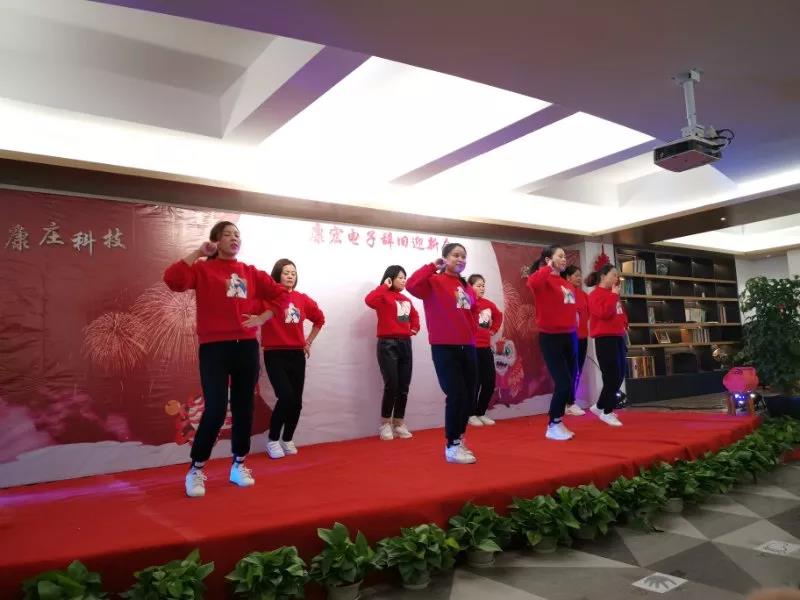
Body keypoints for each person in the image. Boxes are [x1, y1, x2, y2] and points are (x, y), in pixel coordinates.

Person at [163, 221, 288, 498]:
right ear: (216, 241)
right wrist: (199, 252)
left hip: (246, 347)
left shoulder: (250, 272)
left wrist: (263, 317)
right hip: (214, 348)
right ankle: (196, 469)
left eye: (237, 235)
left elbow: (281, 295)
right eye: (228, 234)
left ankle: (239, 465)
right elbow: (172, 280)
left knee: (244, 408)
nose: (234, 238)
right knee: (216, 410)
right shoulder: (202, 269)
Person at [407, 243, 479, 464]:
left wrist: (472, 334)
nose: (461, 259)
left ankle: (460, 437)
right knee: (456, 394)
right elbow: (411, 285)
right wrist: (432, 266)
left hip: (468, 346)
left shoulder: (465, 286)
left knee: (469, 395)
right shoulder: (434, 281)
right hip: (445, 347)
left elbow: (472, 312)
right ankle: (452, 445)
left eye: (464, 256)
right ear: (445, 258)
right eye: (456, 255)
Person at [258, 259, 325, 458]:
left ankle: (287, 438)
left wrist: (308, 341)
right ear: (277, 275)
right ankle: (272, 440)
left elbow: (319, 319)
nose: (290, 276)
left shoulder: (302, 299)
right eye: (286, 272)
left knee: (296, 401)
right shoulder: (267, 298)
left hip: (296, 355)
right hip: (274, 354)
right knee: (286, 396)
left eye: (293, 273)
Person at [526, 245, 578, 441]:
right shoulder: (543, 279)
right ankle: (553, 424)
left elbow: (570, 307)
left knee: (569, 382)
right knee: (563, 382)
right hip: (551, 338)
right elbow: (532, 282)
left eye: (565, 256)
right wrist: (548, 268)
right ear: (549, 259)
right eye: (560, 256)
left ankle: (558, 421)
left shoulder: (566, 283)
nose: (564, 259)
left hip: (569, 336)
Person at [365, 265, 420, 441]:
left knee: (404, 386)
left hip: (405, 344)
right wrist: (384, 286)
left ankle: (399, 423)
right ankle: (385, 424)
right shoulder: (382, 296)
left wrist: (414, 328)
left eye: (405, 277)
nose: (404, 280)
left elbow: (415, 316)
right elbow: (369, 300)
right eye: (400, 277)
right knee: (392, 384)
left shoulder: (406, 299)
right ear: (390, 278)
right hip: (387, 344)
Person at [587, 264, 628, 427]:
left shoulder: (613, 294)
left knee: (620, 374)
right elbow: (604, 314)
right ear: (603, 276)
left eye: (617, 276)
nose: (617, 279)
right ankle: (607, 412)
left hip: (618, 337)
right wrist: (613, 296)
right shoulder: (594, 295)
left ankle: (599, 406)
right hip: (605, 339)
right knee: (612, 377)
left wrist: (625, 323)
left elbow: (619, 312)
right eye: (614, 275)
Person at [466, 274, 503, 427]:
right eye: (478, 285)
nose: (482, 288)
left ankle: (481, 412)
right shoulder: (466, 302)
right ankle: (470, 414)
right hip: (470, 348)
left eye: (483, 285)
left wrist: (493, 329)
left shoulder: (489, 304)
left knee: (489, 382)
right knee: (474, 382)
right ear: (470, 287)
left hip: (485, 348)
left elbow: (498, 316)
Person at [562, 265, 589, 416]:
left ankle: (570, 401)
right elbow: (568, 312)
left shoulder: (583, 294)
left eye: (580, 275)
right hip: (570, 336)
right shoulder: (567, 292)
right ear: (568, 277)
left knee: (578, 370)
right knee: (570, 370)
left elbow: (588, 315)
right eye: (576, 275)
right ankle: (568, 402)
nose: (579, 278)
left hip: (583, 337)